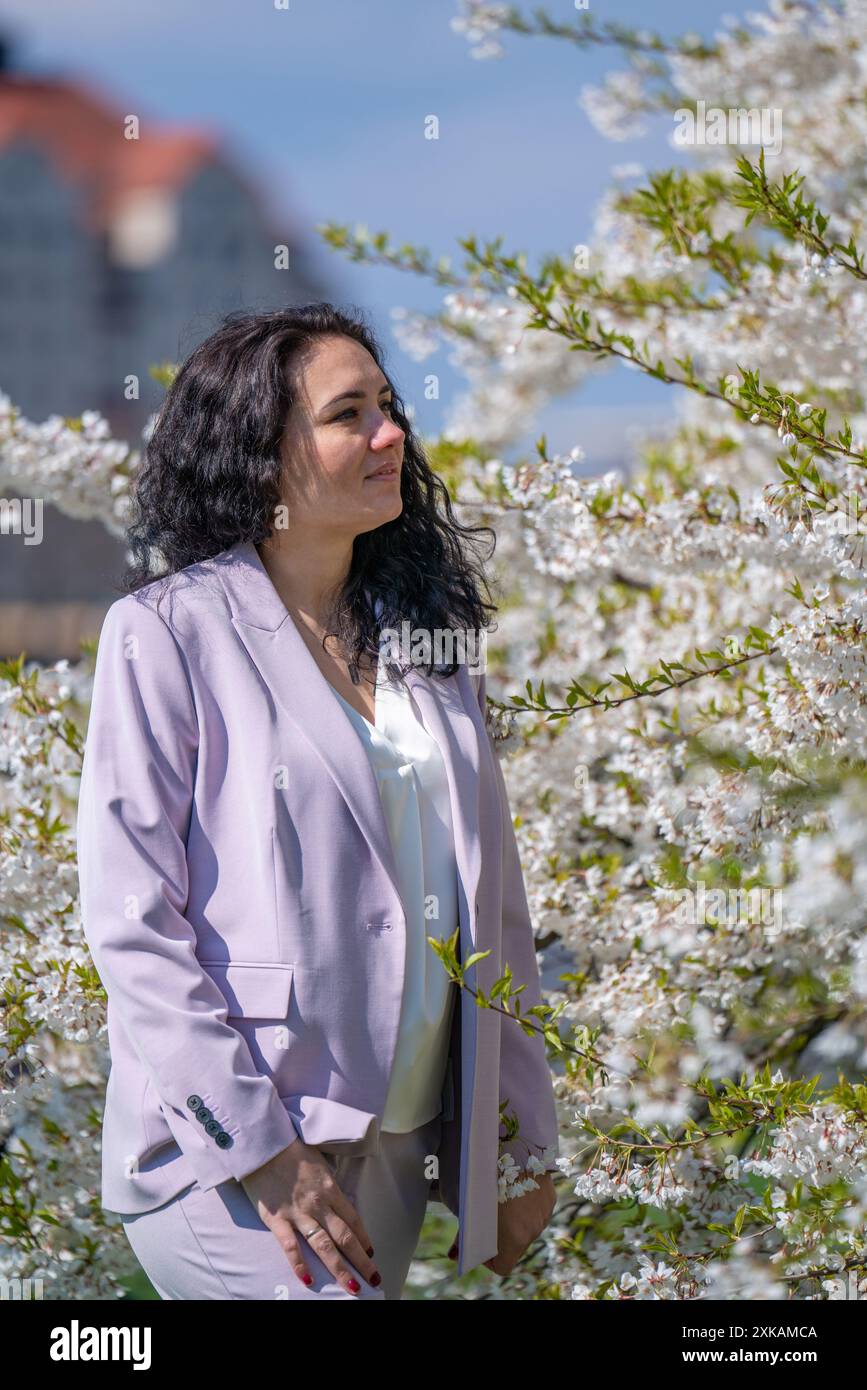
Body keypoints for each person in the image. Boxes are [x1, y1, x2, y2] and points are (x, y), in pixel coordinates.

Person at [76, 303, 560, 1300]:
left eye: (389, 406)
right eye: (350, 414)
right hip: (244, 1158)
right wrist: (260, 1150)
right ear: (262, 451)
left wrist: (516, 1140)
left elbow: (494, 903)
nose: (391, 434)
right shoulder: (164, 633)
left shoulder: (431, 646)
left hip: (404, 1140)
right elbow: (134, 928)